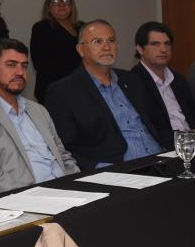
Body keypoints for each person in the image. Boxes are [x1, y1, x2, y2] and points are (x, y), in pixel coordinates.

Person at [0, 39, 79, 199]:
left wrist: (77, 185)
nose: (20, 72)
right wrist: (42, 196)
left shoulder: (39, 110)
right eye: (11, 65)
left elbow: (63, 157)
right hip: (19, 202)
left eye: (24, 66)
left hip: (65, 194)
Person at [46, 20, 163, 170]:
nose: (107, 47)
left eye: (111, 40)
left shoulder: (132, 79)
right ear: (81, 50)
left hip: (160, 161)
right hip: (121, 170)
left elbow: (159, 124)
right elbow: (66, 147)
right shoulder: (63, 91)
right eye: (98, 41)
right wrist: (102, 169)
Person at [130, 21, 195, 149]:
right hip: (165, 150)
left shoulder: (179, 80)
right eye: (155, 44)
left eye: (167, 44)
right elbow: (151, 129)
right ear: (140, 49)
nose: (163, 49)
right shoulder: (133, 82)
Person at [30, 0, 84, 103]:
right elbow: (41, 64)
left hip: (82, 89)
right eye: (55, 1)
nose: (61, 5)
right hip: (54, 91)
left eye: (66, 0)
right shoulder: (41, 28)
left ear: (72, 5)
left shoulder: (83, 28)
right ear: (49, 6)